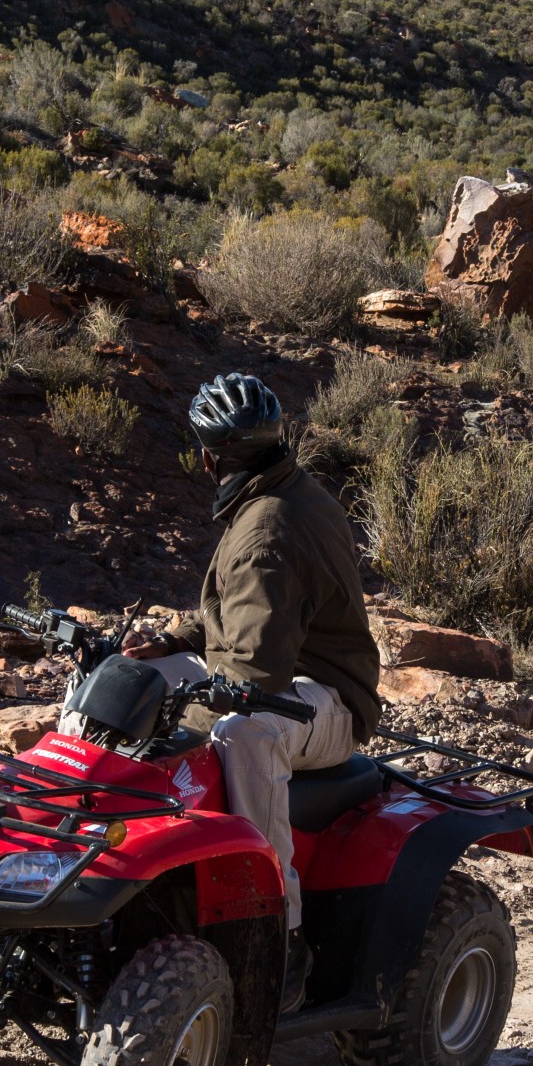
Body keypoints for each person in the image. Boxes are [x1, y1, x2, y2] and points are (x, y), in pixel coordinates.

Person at [116, 373, 380, 1008]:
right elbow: (242, 614)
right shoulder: (280, 491)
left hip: (326, 698)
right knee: (126, 682)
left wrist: (176, 719)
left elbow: (255, 679)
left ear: (210, 457)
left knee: (242, 732)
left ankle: (277, 930)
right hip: (288, 672)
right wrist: (172, 642)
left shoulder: (267, 533)